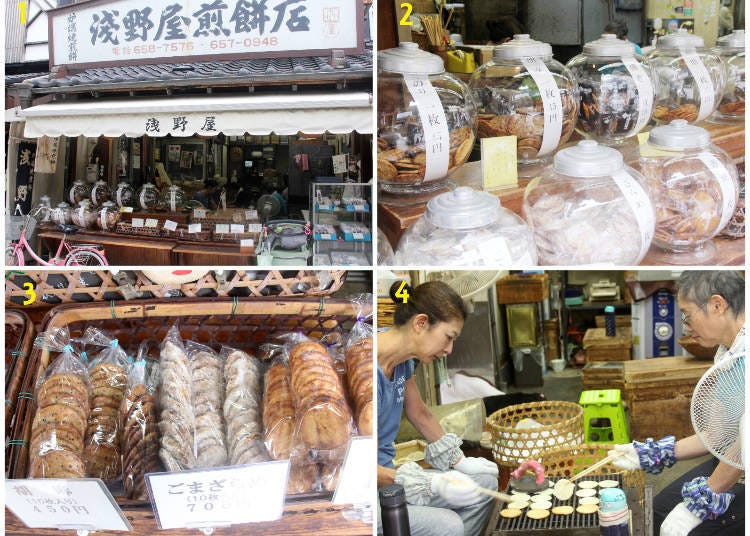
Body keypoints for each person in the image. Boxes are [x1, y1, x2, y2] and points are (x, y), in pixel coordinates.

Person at [611, 271, 745, 536]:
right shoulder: (727, 353)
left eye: (688, 314)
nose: (685, 326)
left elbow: (746, 443)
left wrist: (701, 503)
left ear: (717, 305)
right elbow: (719, 435)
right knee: (660, 509)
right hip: (735, 457)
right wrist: (656, 452)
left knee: (693, 530)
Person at [377, 281, 499, 536]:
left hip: (391, 481)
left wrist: (460, 461)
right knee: (448, 525)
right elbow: (348, 467)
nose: (449, 350)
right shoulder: (366, 367)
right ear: (421, 323)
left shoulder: (402, 362)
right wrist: (421, 482)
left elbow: (420, 414)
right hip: (371, 490)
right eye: (448, 337)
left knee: (484, 484)